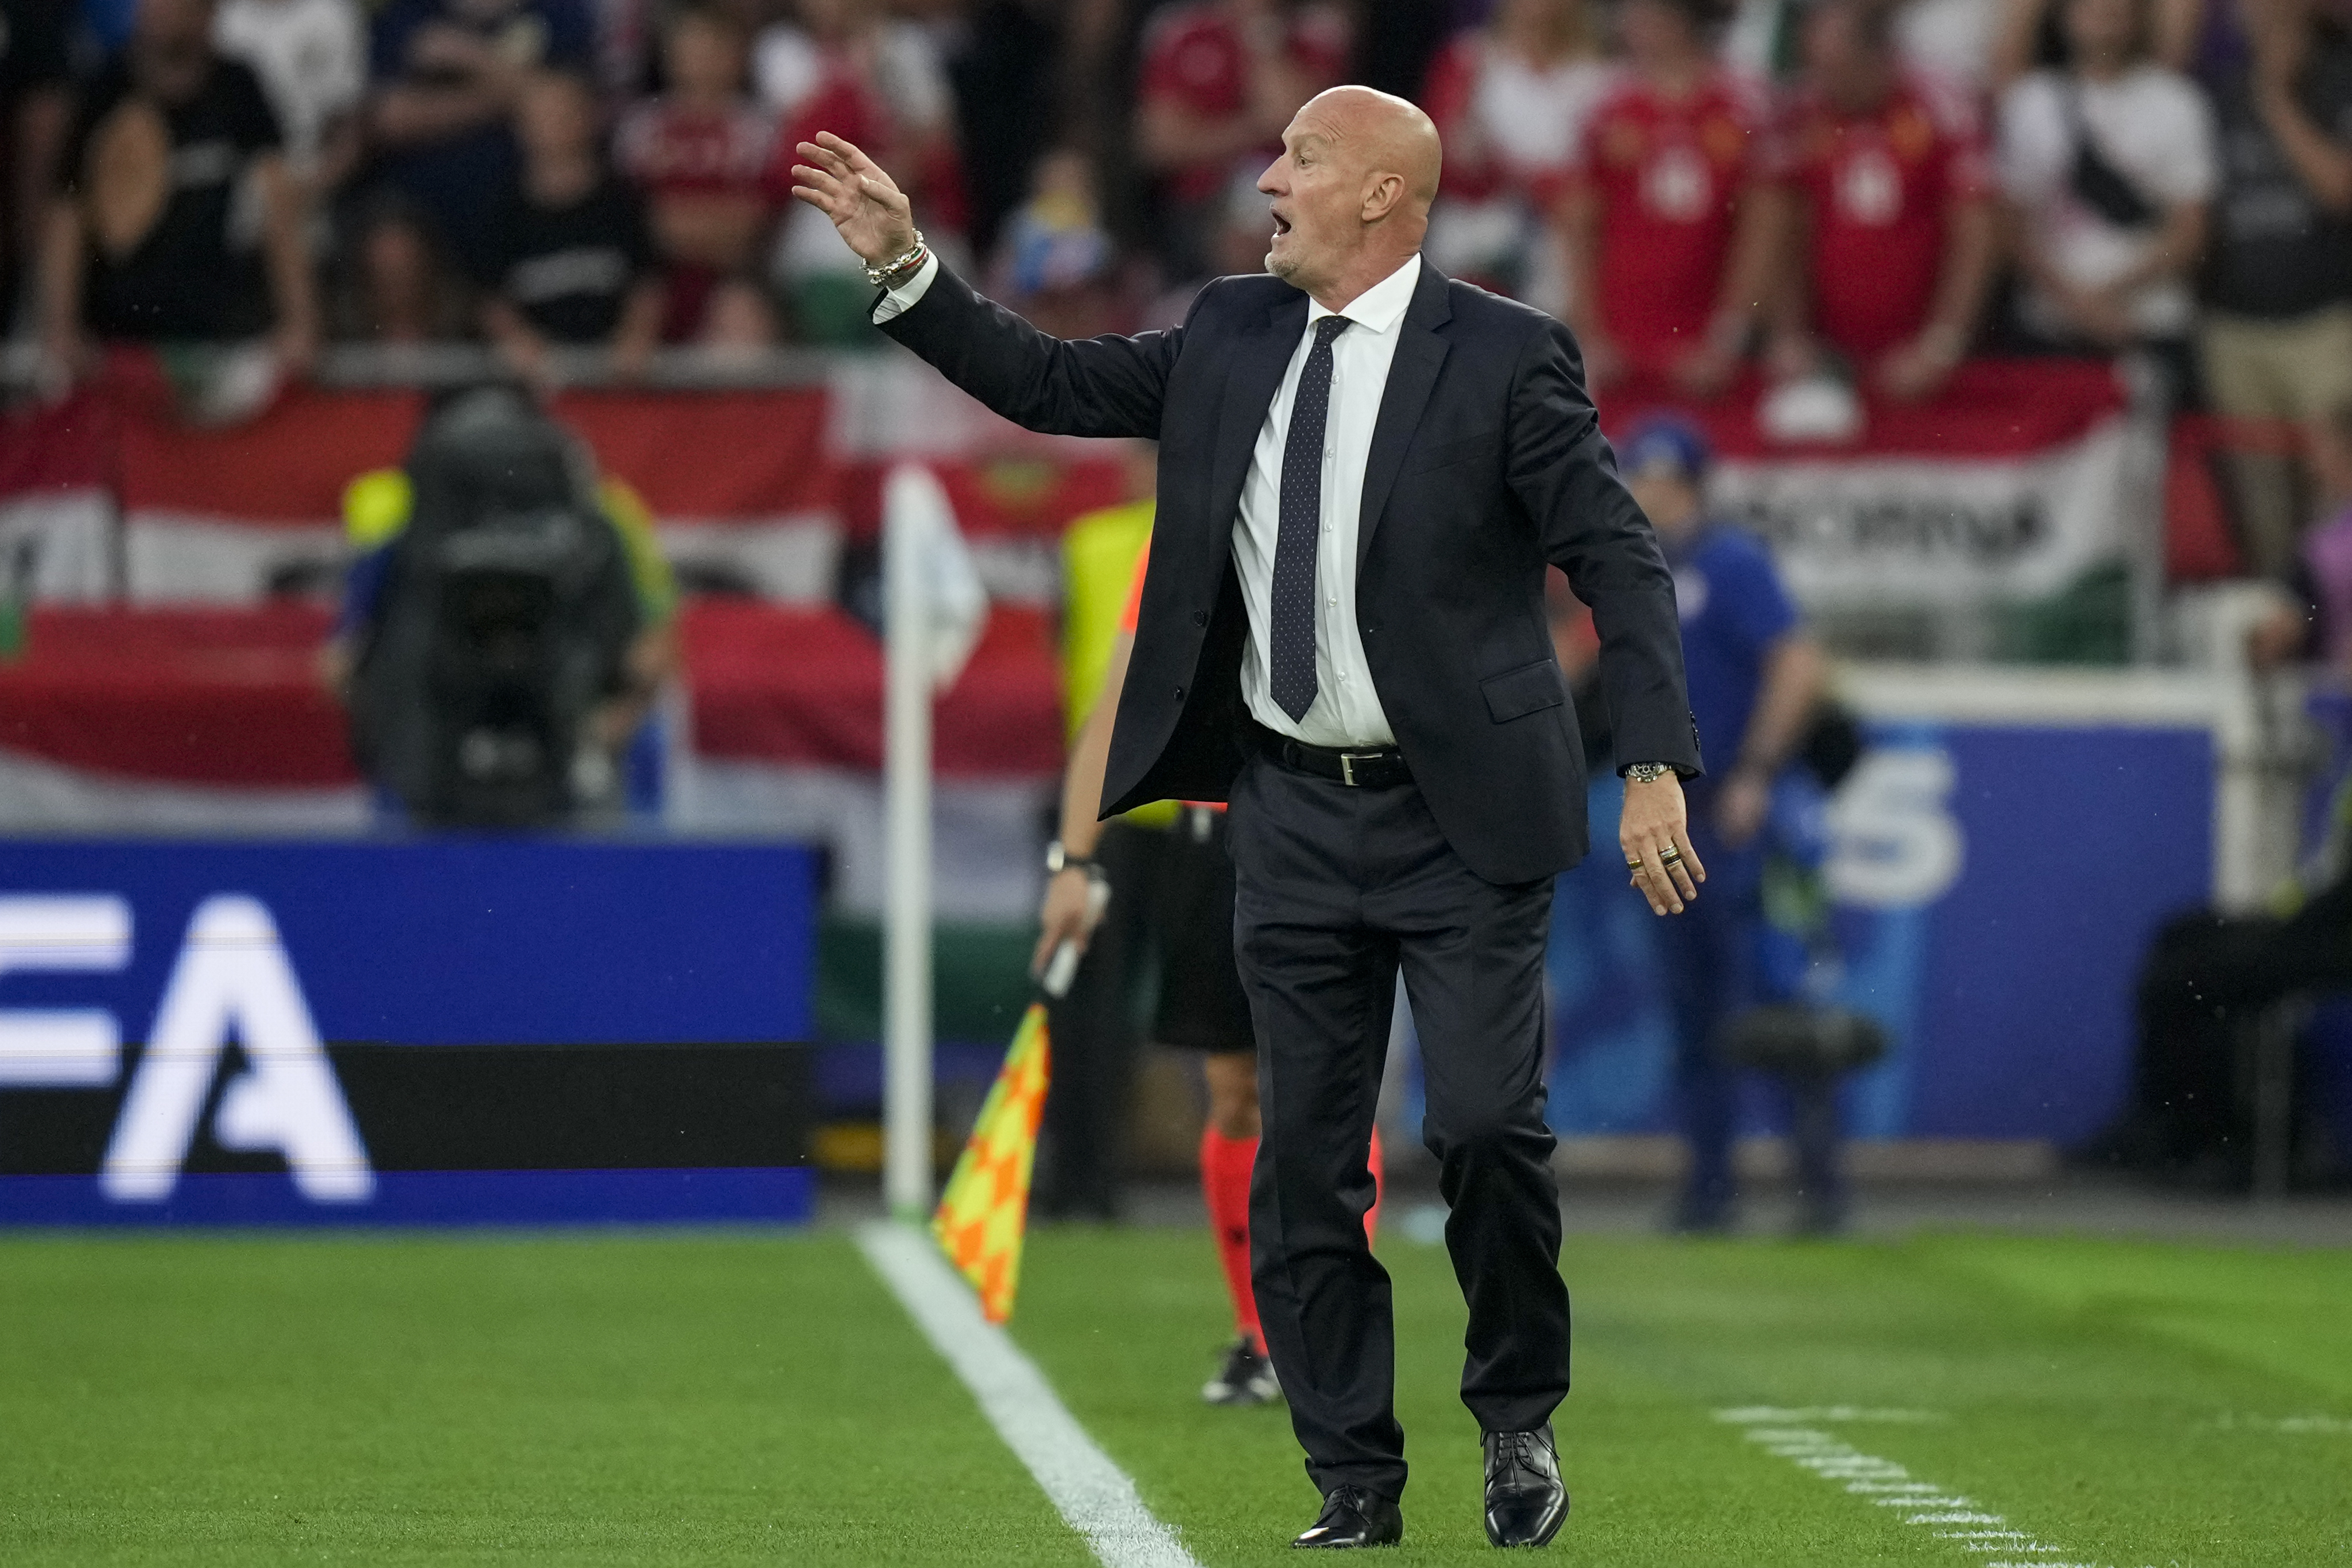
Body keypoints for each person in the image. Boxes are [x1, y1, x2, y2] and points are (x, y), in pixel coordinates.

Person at [791, 81, 1703, 1550]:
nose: (1267, 179)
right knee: (1303, 1159)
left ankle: (1515, 1411)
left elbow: (1619, 559)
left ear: (1383, 197)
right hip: (1289, 812)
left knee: (1483, 1126)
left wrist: (1652, 760)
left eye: (1301, 157)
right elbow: (1049, 383)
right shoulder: (1229, 330)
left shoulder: (1506, 355)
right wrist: (907, 265)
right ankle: (1353, 1476)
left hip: (1464, 817)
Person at [1039, 518, 1385, 1407]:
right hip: (1212, 838)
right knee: (1233, 1089)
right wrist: (1073, 861)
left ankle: (1331, 1332)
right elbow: (1117, 705)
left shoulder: (1346, 516)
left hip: (1330, 823)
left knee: (1328, 1082)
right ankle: (1257, 1335)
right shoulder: (1182, 543)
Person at [1614, 415, 1830, 1232]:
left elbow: (1796, 660)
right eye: (1640, 477)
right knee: (1693, 1009)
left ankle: (1818, 1188)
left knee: (1775, 1000)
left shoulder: (1730, 561)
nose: (1648, 492)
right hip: (1674, 814)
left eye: (1662, 480)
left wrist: (1758, 773)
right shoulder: (1641, 569)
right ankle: (1709, 1189)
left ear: (1693, 487)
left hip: (1738, 814)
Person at [39, 0, 319, 379]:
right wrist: (60, 326)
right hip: (114, 339)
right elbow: (68, 212)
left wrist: (300, 320)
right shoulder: (104, 88)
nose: (159, 12)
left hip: (218, 334)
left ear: (208, 14)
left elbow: (279, 201)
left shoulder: (238, 87)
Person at [1764, 0, 1998, 403]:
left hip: (1918, 344)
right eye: (1815, 67)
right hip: (1827, 352)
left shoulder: (1940, 106)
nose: (1823, 82)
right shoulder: (1803, 114)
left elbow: (1976, 232)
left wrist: (1941, 344)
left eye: (1836, 69)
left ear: (1878, 56)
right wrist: (1789, 334)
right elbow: (1785, 229)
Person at [2195, 0, 2352, 577]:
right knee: (2260, 506)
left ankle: (2336, 611)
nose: (2265, 18)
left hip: (2324, 326)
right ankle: (2281, 612)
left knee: (2336, 490)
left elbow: (2339, 189)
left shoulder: (2338, 82)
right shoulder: (2215, 92)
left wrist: (2276, 98)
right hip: (2236, 329)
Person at [1995, 0, 2217, 397]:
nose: (2104, 15)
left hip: (2149, 321)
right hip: (2050, 327)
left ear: (2138, 18)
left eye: (2116, 9)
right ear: (2065, 17)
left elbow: (2191, 233)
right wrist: (2075, 303)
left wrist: (2104, 296)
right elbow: (2010, 226)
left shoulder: (2177, 101)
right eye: (2090, 7)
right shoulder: (2031, 101)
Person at [1558, 0, 1777, 396]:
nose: (1629, 22)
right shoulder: (1604, 109)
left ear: (1678, 20)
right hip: (1622, 345)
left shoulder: (1743, 108)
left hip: (1708, 346)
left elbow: (1764, 231)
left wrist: (1727, 340)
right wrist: (1590, 337)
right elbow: (1578, 226)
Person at [366, 0, 595, 279]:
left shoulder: (558, 12)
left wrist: (471, 56)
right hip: (428, 245)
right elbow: (388, 120)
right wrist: (516, 90)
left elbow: (568, 108)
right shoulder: (409, 15)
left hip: (538, 243)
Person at [1420, 0, 1610, 315]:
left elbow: (1605, 176)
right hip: (1476, 233)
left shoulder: (1598, 76)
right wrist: (1532, 180)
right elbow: (1442, 156)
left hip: (1561, 248)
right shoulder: (1471, 58)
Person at [1135, 0, 1349, 274]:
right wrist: (1255, 127)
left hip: (1292, 194)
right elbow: (1161, 145)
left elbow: (1289, 113)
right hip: (1201, 203)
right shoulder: (1184, 31)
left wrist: (1261, 34)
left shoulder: (1315, 31)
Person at [480, 69, 665, 383]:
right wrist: (519, 343)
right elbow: (491, 297)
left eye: (564, 112)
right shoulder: (502, 211)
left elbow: (648, 285)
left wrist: (635, 338)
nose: (554, 125)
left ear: (590, 117)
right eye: (542, 114)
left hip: (617, 379)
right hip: (537, 384)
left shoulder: (624, 202)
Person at [615, 2, 781, 346]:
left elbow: (751, 228)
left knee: (741, 316)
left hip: (733, 286)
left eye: (714, 48)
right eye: (692, 47)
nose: (703, 60)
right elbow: (634, 222)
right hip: (651, 286)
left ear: (737, 56)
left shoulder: (759, 130)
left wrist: (676, 223)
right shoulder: (641, 129)